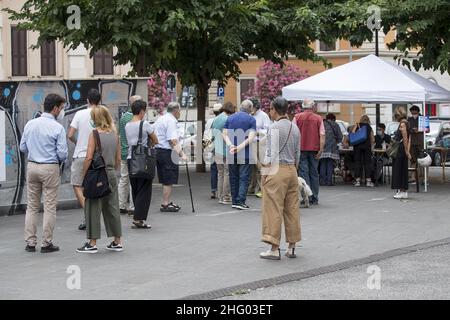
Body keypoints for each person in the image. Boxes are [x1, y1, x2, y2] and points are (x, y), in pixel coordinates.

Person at [20, 94, 68, 253]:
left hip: (32, 166)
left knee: (32, 206)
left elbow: (23, 148)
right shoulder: (58, 128)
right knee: (49, 207)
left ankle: (30, 242)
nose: (61, 111)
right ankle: (46, 243)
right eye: (61, 108)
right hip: (49, 168)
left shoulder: (30, 124)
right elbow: (62, 154)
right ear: (55, 108)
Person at [77, 106, 123, 253]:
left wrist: (84, 175)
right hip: (111, 174)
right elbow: (118, 160)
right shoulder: (115, 135)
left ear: (96, 118)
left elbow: (89, 157)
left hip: (97, 174)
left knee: (93, 207)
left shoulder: (94, 134)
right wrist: (113, 171)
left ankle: (92, 243)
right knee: (112, 208)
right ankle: (117, 241)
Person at [260, 97, 301, 260]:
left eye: (270, 109)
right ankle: (291, 247)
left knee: (273, 209)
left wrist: (264, 174)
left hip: (277, 170)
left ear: (274, 109)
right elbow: (298, 152)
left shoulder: (274, 127)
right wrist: (294, 169)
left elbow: (270, 152)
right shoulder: (295, 128)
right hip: (292, 170)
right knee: (292, 209)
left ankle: (274, 248)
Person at [68, 88, 101, 230]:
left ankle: (88, 215)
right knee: (94, 187)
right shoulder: (102, 113)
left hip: (81, 155)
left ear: (87, 100)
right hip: (97, 156)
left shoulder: (80, 113)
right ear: (99, 101)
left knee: (77, 185)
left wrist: (77, 142)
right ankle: (92, 215)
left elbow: (70, 134)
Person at [125, 100, 158, 228]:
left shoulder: (127, 125)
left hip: (130, 158)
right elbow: (156, 140)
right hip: (143, 159)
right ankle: (138, 219)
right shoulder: (145, 124)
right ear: (142, 111)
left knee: (136, 188)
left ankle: (137, 217)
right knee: (145, 188)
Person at [154, 102, 188, 212]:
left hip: (158, 150)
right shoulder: (171, 121)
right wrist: (182, 154)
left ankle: (166, 202)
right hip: (167, 152)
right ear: (175, 110)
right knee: (169, 178)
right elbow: (172, 140)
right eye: (179, 110)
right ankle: (165, 203)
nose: (180, 113)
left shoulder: (161, 118)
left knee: (164, 178)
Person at [222, 99, 256, 210]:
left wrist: (231, 146)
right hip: (245, 154)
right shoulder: (251, 119)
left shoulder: (230, 118)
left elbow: (224, 134)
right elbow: (251, 138)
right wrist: (239, 147)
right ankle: (241, 201)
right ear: (250, 108)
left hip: (232, 153)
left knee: (233, 177)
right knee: (244, 177)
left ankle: (235, 200)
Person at [294, 99, 325, 205]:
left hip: (301, 148)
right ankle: (315, 197)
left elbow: (293, 133)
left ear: (303, 106)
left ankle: (305, 197)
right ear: (313, 107)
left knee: (303, 173)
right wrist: (321, 149)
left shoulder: (297, 117)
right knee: (314, 173)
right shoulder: (318, 118)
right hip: (314, 149)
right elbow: (322, 135)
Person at [118, 95, 142, 215]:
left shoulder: (123, 117)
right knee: (134, 180)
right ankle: (133, 206)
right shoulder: (132, 118)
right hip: (133, 154)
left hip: (123, 152)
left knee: (124, 179)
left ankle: (121, 204)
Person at [211, 102, 236, 204]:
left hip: (216, 149)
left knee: (220, 174)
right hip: (225, 149)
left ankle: (220, 196)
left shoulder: (216, 119)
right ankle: (226, 196)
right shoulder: (228, 119)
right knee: (227, 173)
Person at [248, 98, 271, 198]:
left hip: (260, 143)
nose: (250, 109)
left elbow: (267, 130)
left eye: (251, 107)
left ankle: (263, 189)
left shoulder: (264, 116)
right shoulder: (249, 115)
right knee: (252, 167)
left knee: (260, 166)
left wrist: (257, 132)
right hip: (251, 143)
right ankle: (251, 188)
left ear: (256, 107)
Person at [392, 108, 412, 199]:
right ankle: (402, 190)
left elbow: (405, 138)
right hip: (403, 149)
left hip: (400, 150)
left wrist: (406, 151)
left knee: (399, 170)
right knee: (403, 169)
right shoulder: (407, 123)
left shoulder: (402, 123)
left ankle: (402, 191)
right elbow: (409, 139)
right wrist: (408, 150)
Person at [204, 103, 222, 199]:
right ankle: (222, 190)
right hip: (221, 146)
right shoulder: (223, 119)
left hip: (212, 147)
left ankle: (213, 190)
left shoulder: (210, 121)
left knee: (214, 169)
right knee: (223, 170)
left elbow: (207, 135)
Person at [351, 115, 375, 187]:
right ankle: (368, 181)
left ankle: (357, 181)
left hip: (357, 146)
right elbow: (373, 139)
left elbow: (352, 134)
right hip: (367, 147)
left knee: (357, 163)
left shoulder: (357, 125)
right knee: (367, 163)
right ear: (368, 120)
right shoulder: (369, 127)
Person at [319, 113, 342, 186]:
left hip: (322, 146)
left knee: (322, 163)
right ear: (333, 118)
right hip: (332, 147)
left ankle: (322, 181)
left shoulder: (322, 124)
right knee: (329, 163)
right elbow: (340, 137)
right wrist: (336, 141)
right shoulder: (335, 125)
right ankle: (329, 181)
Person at [407, 105, 424, 183]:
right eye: (412, 113)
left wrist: (419, 130)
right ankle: (413, 177)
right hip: (412, 142)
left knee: (422, 160)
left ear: (418, 111)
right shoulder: (409, 119)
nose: (413, 114)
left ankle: (423, 177)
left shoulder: (422, 119)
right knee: (413, 159)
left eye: (414, 113)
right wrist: (412, 130)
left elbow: (427, 129)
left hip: (420, 142)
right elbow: (406, 129)